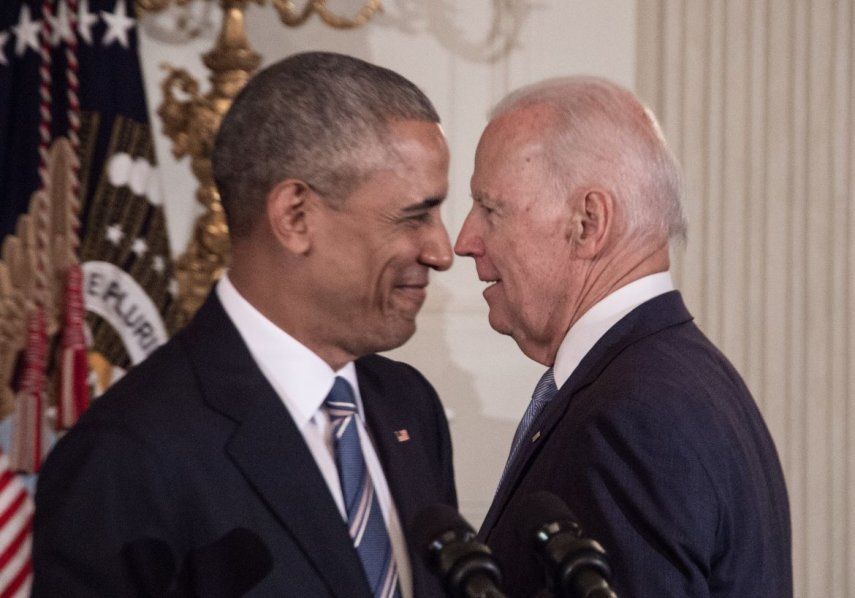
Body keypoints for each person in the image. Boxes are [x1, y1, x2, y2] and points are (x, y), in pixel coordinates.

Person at [33, 52, 457, 597]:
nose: (442, 252)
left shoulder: (407, 404)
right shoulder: (125, 456)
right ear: (295, 217)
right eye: (415, 216)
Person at [455, 76, 791, 597]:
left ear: (589, 222)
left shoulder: (634, 415)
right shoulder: (681, 373)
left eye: (490, 209)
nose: (464, 240)